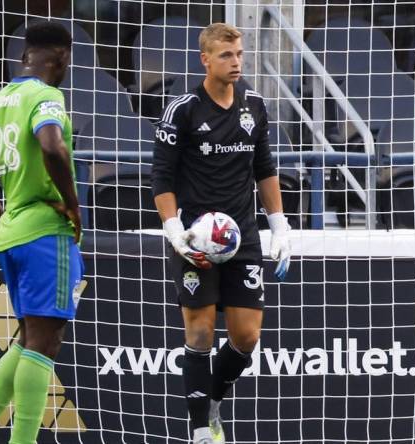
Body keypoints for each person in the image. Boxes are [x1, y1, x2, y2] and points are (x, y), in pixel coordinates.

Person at [151, 23, 291, 444]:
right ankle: (199, 429)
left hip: (242, 236)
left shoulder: (255, 105)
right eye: (227, 55)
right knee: (199, 332)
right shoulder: (184, 110)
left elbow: (264, 169)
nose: (236, 62)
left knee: (247, 336)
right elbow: (162, 177)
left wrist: (279, 225)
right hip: (195, 239)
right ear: (205, 59)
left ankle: (210, 400)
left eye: (240, 54)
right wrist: (174, 230)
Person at [0, 21, 83, 444]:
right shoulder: (47, 97)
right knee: (45, 343)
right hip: (45, 233)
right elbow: (52, 145)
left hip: (13, 233)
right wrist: (72, 206)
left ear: (24, 56)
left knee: (31, 337)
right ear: (63, 56)